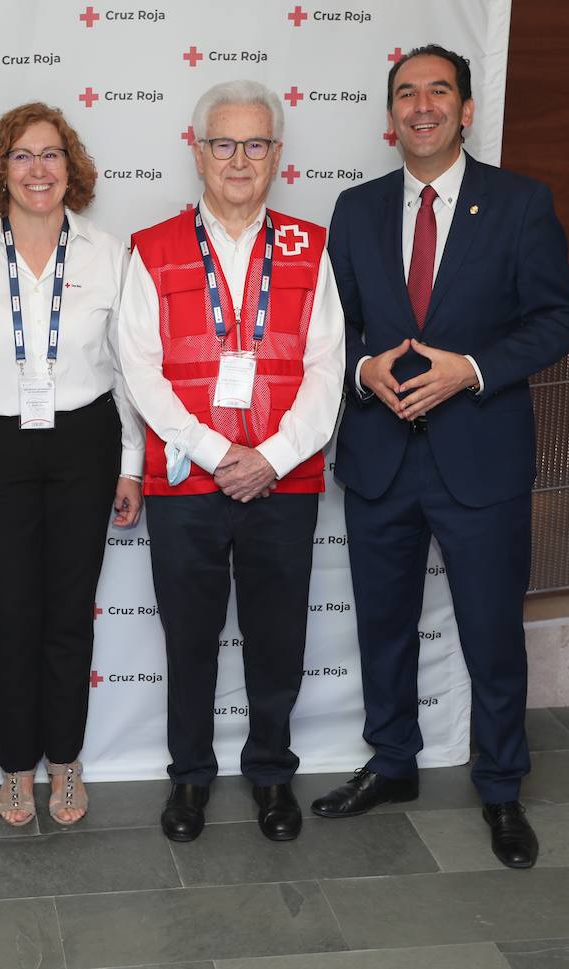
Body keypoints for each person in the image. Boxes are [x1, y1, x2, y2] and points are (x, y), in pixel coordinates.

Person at [311, 45, 569, 870]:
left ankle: (501, 785)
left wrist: (472, 369)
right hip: (381, 456)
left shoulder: (521, 204)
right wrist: (364, 368)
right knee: (383, 627)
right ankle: (392, 762)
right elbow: (336, 329)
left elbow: (557, 319)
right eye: (405, 94)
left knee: (492, 633)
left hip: (482, 457)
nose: (420, 106)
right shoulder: (353, 210)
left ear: (467, 110)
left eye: (437, 92)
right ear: (388, 115)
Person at [117, 80, 344, 844]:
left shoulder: (311, 246)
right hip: (187, 483)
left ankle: (273, 774)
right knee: (189, 637)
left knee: (278, 636)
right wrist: (220, 455)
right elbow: (140, 370)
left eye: (255, 144)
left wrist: (271, 458)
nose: (239, 159)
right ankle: (189, 779)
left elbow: (326, 369)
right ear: (198, 150)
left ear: (277, 154)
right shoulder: (152, 247)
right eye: (224, 143)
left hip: (287, 481)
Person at [0, 103, 144, 827]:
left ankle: (66, 759)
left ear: (71, 166)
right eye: (21, 156)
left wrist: (132, 465)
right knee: (12, 610)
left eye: (50, 154)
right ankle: (17, 767)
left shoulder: (107, 253)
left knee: (68, 611)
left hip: (85, 441)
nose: (37, 170)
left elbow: (128, 371)